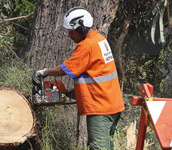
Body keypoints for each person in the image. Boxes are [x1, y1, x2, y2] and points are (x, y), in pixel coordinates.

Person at [36, 6, 125, 150]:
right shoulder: (100, 39)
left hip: (100, 109)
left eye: (71, 32)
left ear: (82, 28)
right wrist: (73, 92)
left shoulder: (86, 46)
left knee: (98, 148)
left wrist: (45, 72)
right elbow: (96, 75)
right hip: (112, 104)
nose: (69, 36)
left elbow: (64, 69)